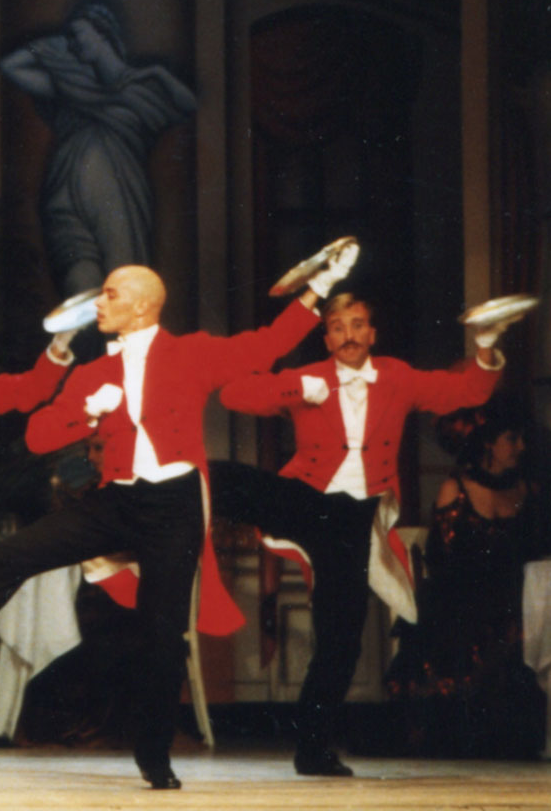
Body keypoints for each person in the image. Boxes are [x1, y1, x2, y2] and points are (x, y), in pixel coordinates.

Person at [0, 247, 351, 791]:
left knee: (162, 632)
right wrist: (86, 411)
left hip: (174, 505)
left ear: (142, 306)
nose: (99, 303)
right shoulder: (95, 371)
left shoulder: (192, 353)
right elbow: (37, 436)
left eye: (111, 294)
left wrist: (318, 287)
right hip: (116, 500)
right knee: (16, 554)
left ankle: (154, 756)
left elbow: (267, 345)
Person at [212, 293, 507, 776]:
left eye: (357, 324)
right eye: (337, 327)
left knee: (341, 636)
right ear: (326, 338)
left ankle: (312, 750)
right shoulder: (310, 376)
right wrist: (298, 389)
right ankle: (163, 509)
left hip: (351, 519)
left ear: (372, 333)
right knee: (217, 476)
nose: (348, 334)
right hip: (304, 498)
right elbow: (232, 395)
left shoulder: (397, 377)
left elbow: (469, 391)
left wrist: (487, 344)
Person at [0, 0, 197, 298]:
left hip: (118, 199)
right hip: (63, 199)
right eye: (68, 37)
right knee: (79, 287)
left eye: (78, 35)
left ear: (103, 34)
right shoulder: (70, 85)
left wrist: (158, 73)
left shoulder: (141, 88)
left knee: (122, 287)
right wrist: (47, 45)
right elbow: (10, 66)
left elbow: (189, 105)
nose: (72, 44)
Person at [387, 398, 547, 759]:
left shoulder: (525, 490)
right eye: (512, 439)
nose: (520, 447)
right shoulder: (455, 488)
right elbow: (442, 559)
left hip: (513, 594)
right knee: (475, 627)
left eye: (522, 439)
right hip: (459, 597)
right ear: (489, 442)